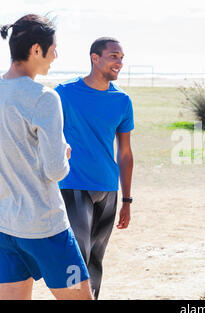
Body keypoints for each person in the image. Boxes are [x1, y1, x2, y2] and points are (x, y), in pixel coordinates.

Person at [0, 14, 93, 300]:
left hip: (5, 226)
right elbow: (55, 170)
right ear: (36, 50)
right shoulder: (44, 97)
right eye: (53, 48)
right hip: (46, 227)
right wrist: (64, 153)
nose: (56, 55)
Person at [55, 37, 134, 299]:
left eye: (121, 57)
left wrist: (127, 199)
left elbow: (124, 153)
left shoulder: (122, 101)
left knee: (95, 259)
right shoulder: (64, 93)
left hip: (108, 190)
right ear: (95, 58)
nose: (119, 63)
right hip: (73, 185)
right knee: (75, 257)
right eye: (114, 56)